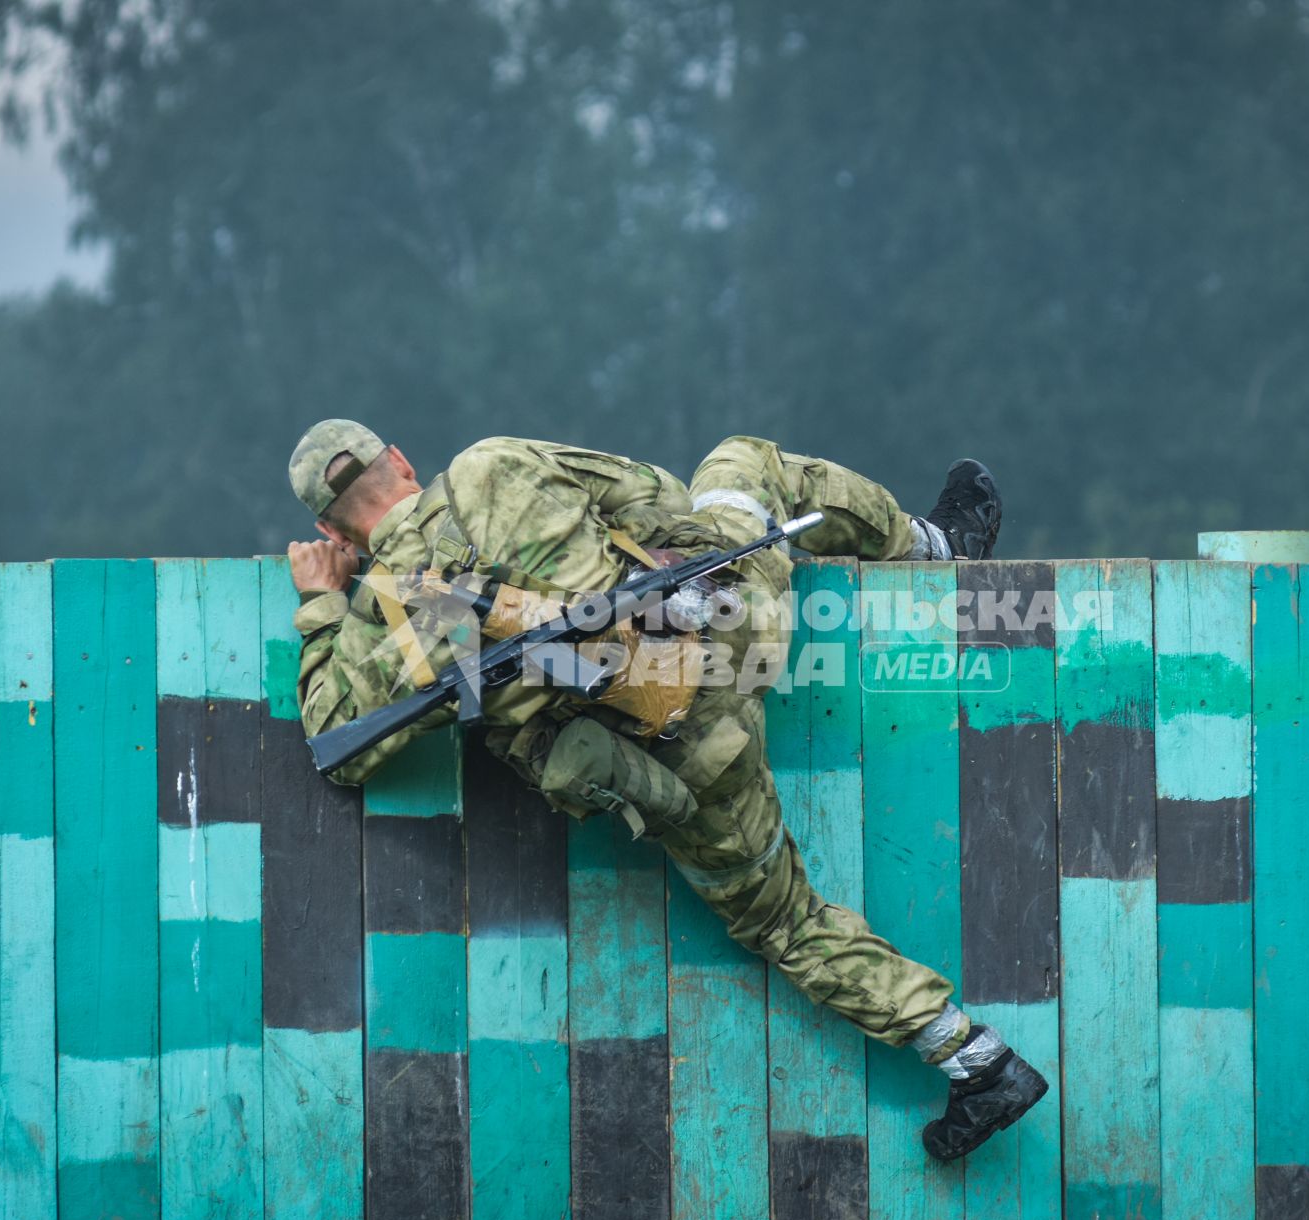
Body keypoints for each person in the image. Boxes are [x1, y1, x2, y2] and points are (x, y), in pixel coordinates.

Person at [284, 420, 1047, 1160]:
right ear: (401, 459)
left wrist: (323, 599)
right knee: (745, 464)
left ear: (334, 529)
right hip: (729, 627)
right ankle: (937, 545)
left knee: (787, 922)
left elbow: (337, 747)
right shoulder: (493, 464)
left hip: (677, 758)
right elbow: (658, 496)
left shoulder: (389, 613)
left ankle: (977, 1062)